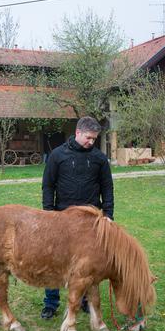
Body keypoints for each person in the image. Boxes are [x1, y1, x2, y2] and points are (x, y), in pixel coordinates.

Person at [41, 116, 114, 319]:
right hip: (61, 218)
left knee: (87, 263)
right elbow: (48, 186)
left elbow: (107, 189)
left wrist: (108, 215)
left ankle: (83, 299)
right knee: (55, 260)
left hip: (91, 222)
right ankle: (51, 302)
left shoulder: (100, 159)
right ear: (78, 133)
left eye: (94, 139)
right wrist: (49, 214)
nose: (91, 141)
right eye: (88, 137)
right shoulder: (57, 155)